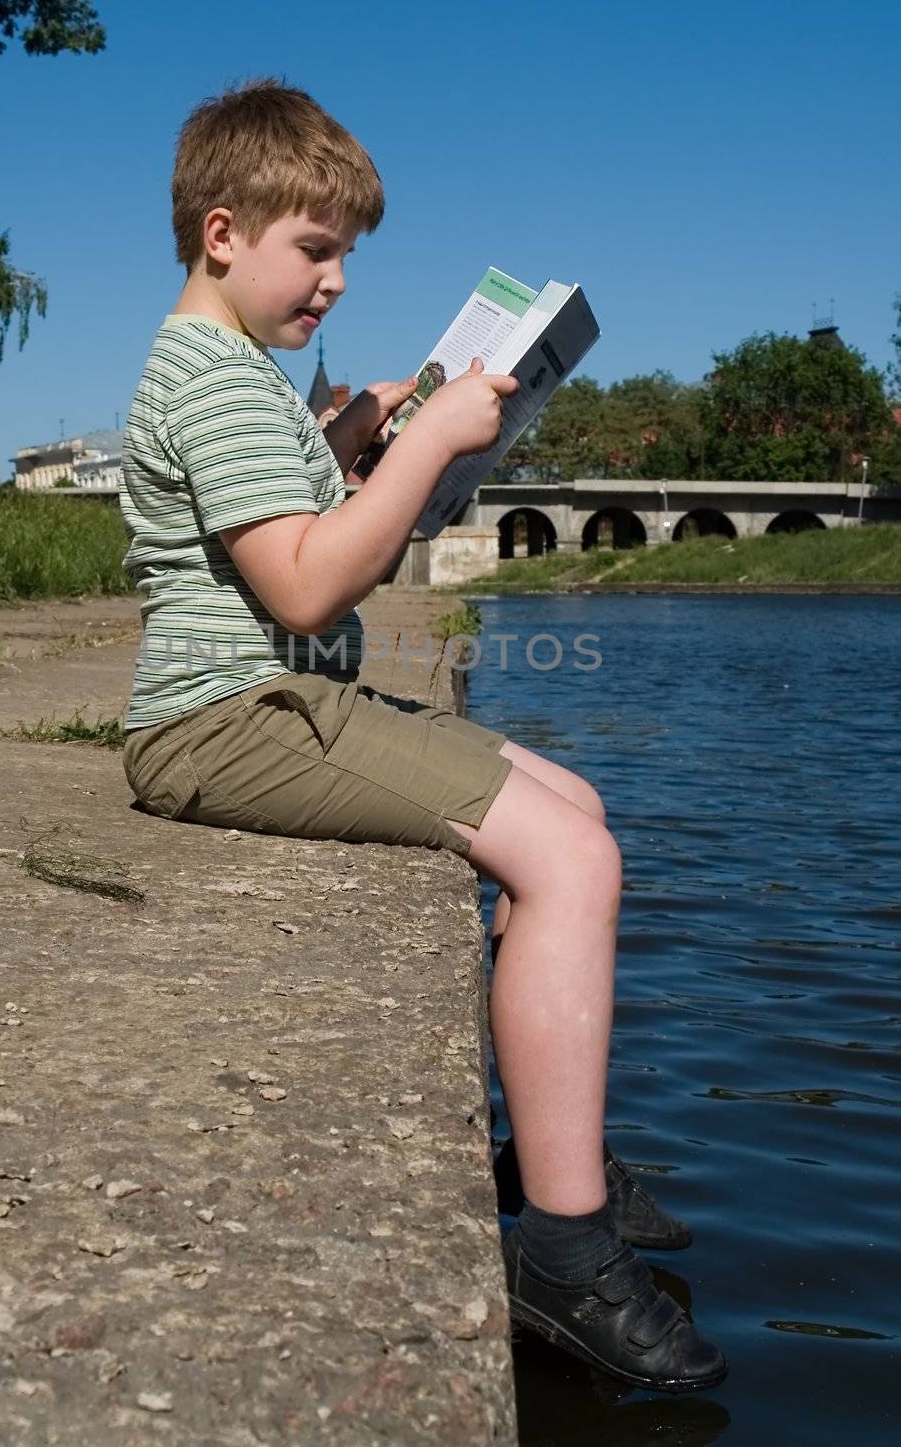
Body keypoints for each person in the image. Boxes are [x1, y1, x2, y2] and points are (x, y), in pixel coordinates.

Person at [118, 77, 727, 1392]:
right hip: (235, 720)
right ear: (223, 234)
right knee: (574, 866)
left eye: (348, 254)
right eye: (315, 249)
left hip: (274, 703)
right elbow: (300, 587)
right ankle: (563, 1255)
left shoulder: (233, 373)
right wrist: (426, 450)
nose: (334, 281)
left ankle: (547, 1149)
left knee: (579, 807)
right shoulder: (218, 379)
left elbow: (281, 525)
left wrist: (351, 442)